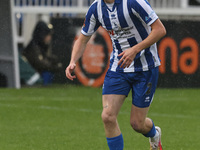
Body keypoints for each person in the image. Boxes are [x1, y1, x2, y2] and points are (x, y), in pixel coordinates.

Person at [65, 0, 166, 149]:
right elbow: (83, 38)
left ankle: (154, 134)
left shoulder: (134, 2)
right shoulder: (96, 8)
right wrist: (73, 61)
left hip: (145, 68)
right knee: (107, 116)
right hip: (118, 68)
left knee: (137, 124)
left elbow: (160, 30)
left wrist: (135, 50)